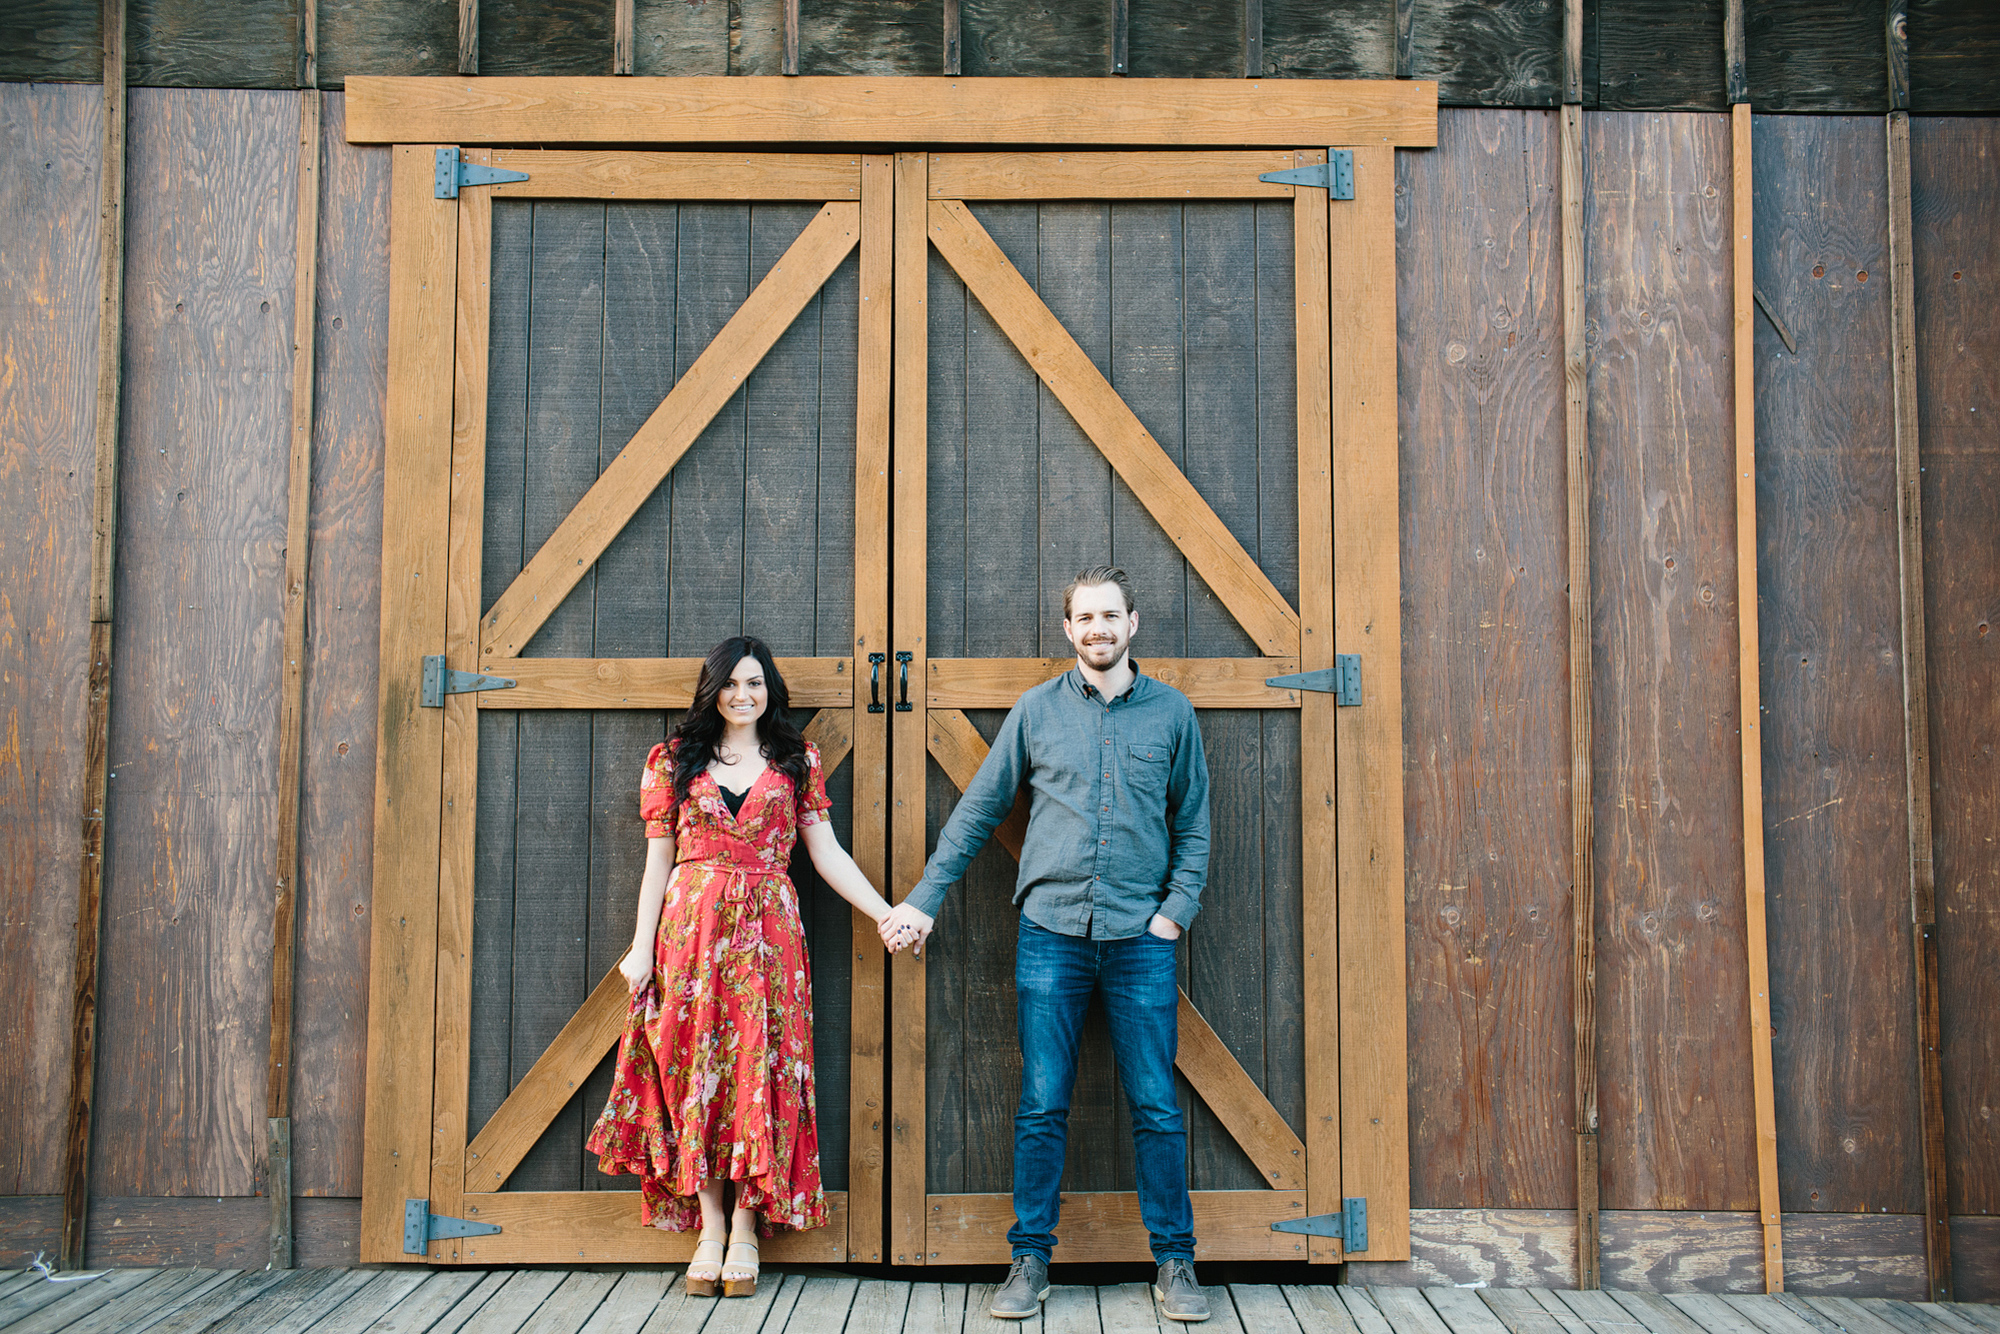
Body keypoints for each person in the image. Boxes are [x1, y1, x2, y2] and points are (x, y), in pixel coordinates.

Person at [879, 566, 1213, 1323]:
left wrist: (1174, 914)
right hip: (1050, 936)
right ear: (1068, 630)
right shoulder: (1034, 713)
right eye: (1083, 618)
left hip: (1141, 937)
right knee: (1040, 1103)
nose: (1097, 629)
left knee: (1157, 1104)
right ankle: (1029, 1257)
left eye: (1110, 616)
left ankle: (1176, 1263)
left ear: (1135, 623)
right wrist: (925, 901)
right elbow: (975, 815)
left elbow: (1194, 825)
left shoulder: (1172, 715)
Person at [586, 635, 919, 1298]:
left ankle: (745, 1226)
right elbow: (658, 864)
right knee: (696, 1074)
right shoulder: (675, 759)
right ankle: (709, 1226)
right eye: (732, 684)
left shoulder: (796, 760)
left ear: (771, 691)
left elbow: (825, 855)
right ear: (713, 691)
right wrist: (641, 947)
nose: (743, 695)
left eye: (755, 684)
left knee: (761, 1072)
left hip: (771, 938)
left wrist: (885, 911)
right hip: (692, 933)